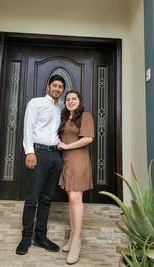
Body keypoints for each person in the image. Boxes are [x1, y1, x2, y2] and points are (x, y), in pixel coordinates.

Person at [16, 74, 65, 255]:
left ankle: (41, 237)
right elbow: (27, 127)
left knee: (46, 198)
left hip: (55, 156)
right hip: (38, 153)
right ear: (48, 87)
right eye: (54, 85)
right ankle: (26, 237)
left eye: (60, 87)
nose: (57, 89)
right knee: (32, 199)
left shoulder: (61, 107)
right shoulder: (35, 103)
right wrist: (29, 151)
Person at [57, 90, 94, 265]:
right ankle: (72, 236)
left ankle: (77, 241)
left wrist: (67, 145)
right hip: (67, 161)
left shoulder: (85, 116)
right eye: (68, 99)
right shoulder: (65, 119)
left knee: (75, 197)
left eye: (74, 99)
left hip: (79, 160)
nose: (71, 101)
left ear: (80, 101)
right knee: (71, 200)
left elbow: (88, 138)